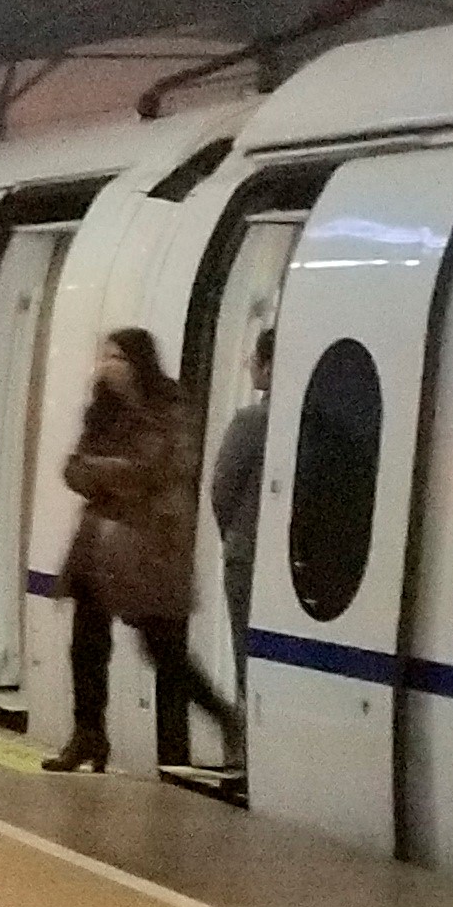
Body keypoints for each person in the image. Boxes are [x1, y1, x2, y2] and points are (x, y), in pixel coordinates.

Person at [46, 326, 243, 775]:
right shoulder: (101, 411)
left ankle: (226, 718)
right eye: (105, 357)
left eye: (116, 358)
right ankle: (88, 735)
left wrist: (102, 473)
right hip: (98, 548)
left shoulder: (169, 408)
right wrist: (113, 474)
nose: (106, 366)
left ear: (139, 363)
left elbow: (156, 470)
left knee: (164, 651)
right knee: (86, 645)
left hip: (148, 549)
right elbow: (73, 470)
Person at [208, 328, 272, 779]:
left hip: (246, 556)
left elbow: (222, 490)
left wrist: (233, 538)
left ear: (269, 365)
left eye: (255, 359)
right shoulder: (316, 422)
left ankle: (245, 750)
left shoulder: (251, 422)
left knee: (245, 652)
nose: (250, 366)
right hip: (286, 560)